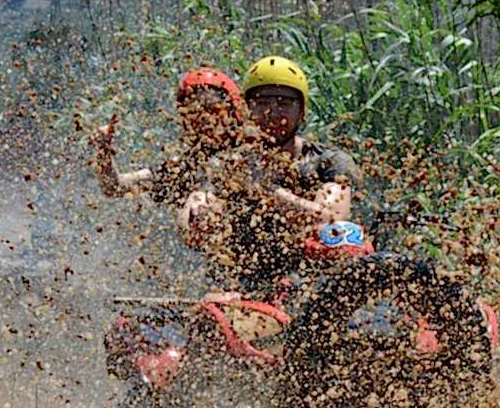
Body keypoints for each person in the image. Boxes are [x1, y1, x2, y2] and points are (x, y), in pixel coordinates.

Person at [179, 55, 361, 294]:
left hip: (311, 288)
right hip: (241, 288)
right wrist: (197, 216)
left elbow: (331, 221)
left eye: (284, 103)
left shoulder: (329, 162)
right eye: (262, 102)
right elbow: (192, 217)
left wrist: (267, 190)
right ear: (247, 109)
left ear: (302, 112)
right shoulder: (228, 164)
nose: (273, 112)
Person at [90, 67, 246, 208]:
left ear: (233, 113)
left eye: (212, 108)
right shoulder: (183, 168)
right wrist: (104, 152)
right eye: (193, 111)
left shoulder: (250, 157)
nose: (203, 119)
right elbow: (114, 187)